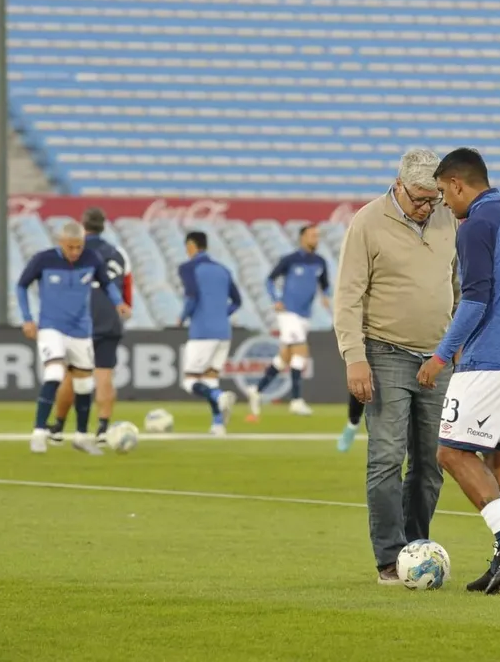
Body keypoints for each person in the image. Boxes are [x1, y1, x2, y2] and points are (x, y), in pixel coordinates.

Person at [416, 148, 500, 595]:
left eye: (441, 193)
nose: (442, 204)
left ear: (456, 184)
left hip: (492, 359)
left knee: (450, 453)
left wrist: (440, 356)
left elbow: (474, 300)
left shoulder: (476, 227)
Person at [333, 148, 460, 586]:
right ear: (398, 185)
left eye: (434, 199)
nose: (427, 207)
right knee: (386, 458)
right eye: (420, 199)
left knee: (431, 463)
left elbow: (456, 284)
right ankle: (390, 558)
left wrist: (456, 341)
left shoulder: (447, 219)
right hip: (384, 353)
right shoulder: (367, 222)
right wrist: (354, 357)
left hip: (438, 357)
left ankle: (416, 547)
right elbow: (348, 295)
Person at [16, 221, 131, 455]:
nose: (76, 252)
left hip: (81, 329)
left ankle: (80, 436)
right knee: (55, 373)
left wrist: (119, 302)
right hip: (51, 327)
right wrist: (27, 318)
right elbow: (21, 285)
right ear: (61, 243)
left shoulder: (92, 258)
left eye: (79, 247)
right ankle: (38, 433)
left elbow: (107, 284)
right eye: (71, 247)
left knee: (84, 383)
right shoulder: (43, 259)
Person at [47, 208, 133, 444]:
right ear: (103, 226)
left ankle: (57, 428)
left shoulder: (73, 251)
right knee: (104, 374)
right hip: (109, 317)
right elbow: (127, 290)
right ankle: (103, 429)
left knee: (70, 375)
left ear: (83, 227)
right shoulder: (118, 253)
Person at [247, 224, 330, 418]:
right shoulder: (290, 260)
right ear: (302, 237)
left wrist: (326, 296)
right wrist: (276, 300)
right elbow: (269, 280)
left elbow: (324, 285)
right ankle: (296, 401)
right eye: (312, 235)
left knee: (285, 357)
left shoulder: (320, 262)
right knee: (301, 351)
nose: (315, 238)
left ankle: (257, 390)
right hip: (288, 313)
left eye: (317, 235)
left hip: (305, 315)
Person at [178, 231, 240, 435]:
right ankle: (218, 425)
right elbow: (237, 301)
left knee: (190, 381)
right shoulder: (223, 269)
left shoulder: (188, 268)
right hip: (224, 332)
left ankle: (219, 396)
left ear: (191, 246)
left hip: (202, 331)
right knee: (210, 377)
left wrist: (182, 317)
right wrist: (222, 314)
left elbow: (192, 297)